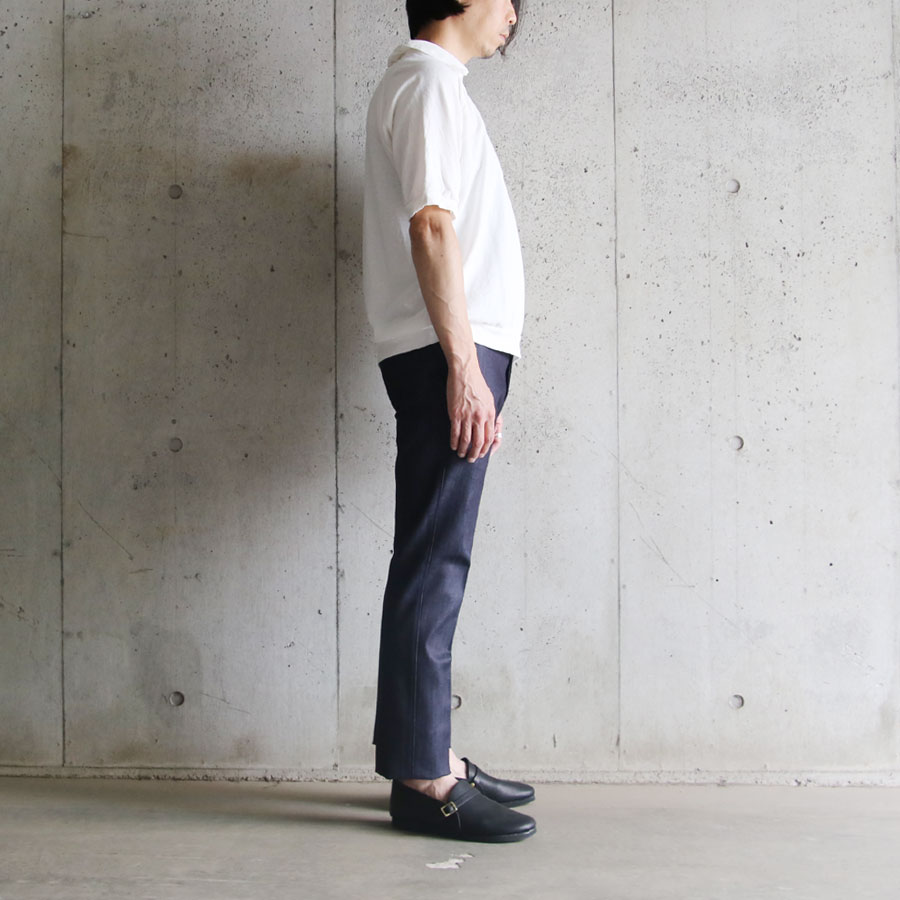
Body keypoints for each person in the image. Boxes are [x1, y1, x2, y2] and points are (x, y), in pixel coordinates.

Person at [362, 0, 535, 843]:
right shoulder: (428, 84)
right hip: (447, 354)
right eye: (509, 0)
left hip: (448, 350)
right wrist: (464, 369)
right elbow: (431, 225)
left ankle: (426, 755)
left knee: (433, 556)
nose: (517, 16)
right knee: (436, 559)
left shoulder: (431, 86)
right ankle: (423, 778)